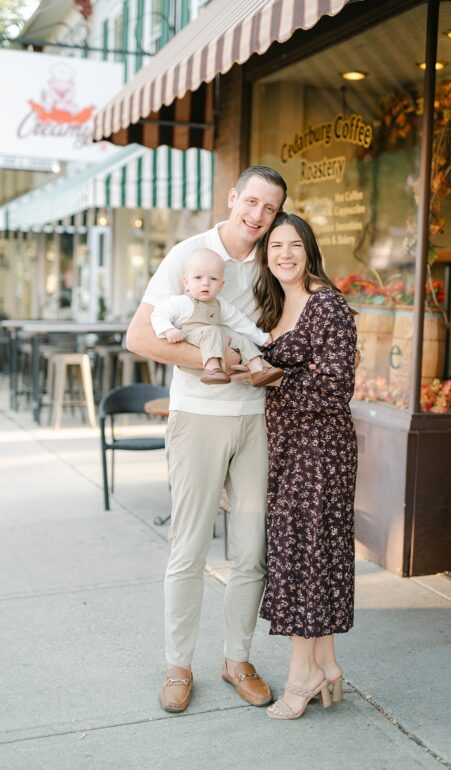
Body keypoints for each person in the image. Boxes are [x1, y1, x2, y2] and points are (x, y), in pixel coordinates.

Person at [126, 166, 288, 713]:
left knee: (250, 550)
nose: (258, 216)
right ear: (233, 197)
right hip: (198, 415)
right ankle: (178, 665)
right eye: (252, 202)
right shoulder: (189, 254)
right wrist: (215, 362)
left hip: (256, 418)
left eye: (270, 209)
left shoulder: (274, 260)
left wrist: (266, 369)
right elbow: (140, 336)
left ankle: (237, 659)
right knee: (189, 546)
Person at [251, 212, 358, 720]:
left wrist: (276, 380)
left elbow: (337, 387)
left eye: (295, 245)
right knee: (307, 553)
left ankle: (303, 676)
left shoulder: (326, 304)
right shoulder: (274, 303)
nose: (285, 254)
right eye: (276, 246)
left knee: (304, 558)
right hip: (288, 446)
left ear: (309, 250)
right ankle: (329, 664)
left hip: (322, 450)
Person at [150, 248, 283, 386]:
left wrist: (261, 338)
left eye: (213, 278)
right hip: (191, 340)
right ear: (186, 282)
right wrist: (169, 330)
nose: (205, 283)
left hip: (213, 339)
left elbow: (239, 321)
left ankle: (258, 370)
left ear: (221, 285)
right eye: (198, 277)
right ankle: (212, 369)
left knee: (239, 337)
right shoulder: (182, 302)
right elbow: (159, 314)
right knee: (212, 330)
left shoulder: (220, 305)